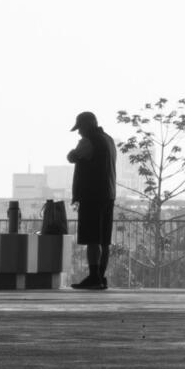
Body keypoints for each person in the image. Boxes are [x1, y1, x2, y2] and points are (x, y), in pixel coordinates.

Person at [68, 111, 117, 290]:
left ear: (88, 125)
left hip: (92, 195)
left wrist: (74, 152)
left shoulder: (88, 140)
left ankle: (94, 278)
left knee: (92, 239)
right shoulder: (109, 140)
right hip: (108, 194)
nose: (79, 132)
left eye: (80, 128)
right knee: (104, 240)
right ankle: (101, 277)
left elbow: (72, 157)